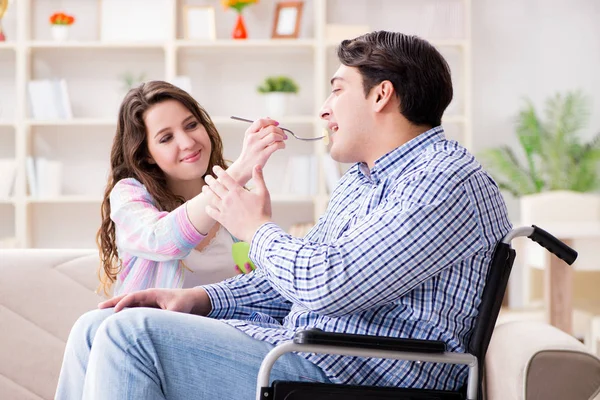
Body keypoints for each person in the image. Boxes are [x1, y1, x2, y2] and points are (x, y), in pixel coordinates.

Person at [56, 31, 512, 399]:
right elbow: (293, 281)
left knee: (129, 336)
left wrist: (255, 229)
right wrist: (200, 301)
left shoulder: (443, 179)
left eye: (337, 90)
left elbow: (328, 283)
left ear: (382, 96)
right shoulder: (362, 180)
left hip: (358, 374)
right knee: (95, 325)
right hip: (315, 355)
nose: (324, 110)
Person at [96, 80, 286, 296]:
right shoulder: (129, 194)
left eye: (191, 125)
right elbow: (161, 239)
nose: (187, 142)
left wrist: (260, 233)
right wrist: (239, 171)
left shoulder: (237, 197)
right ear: (146, 154)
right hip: (154, 327)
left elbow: (267, 289)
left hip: (229, 327)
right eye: (166, 138)